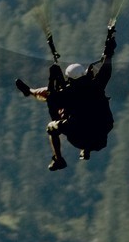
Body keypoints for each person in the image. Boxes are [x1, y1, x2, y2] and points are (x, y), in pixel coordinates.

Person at [16, 21, 116, 170]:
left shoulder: (67, 94)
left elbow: (51, 97)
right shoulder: (97, 84)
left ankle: (58, 159)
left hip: (80, 138)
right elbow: (106, 66)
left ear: (70, 79)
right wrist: (109, 45)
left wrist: (51, 78)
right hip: (100, 138)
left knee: (51, 127)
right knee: (85, 116)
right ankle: (29, 91)